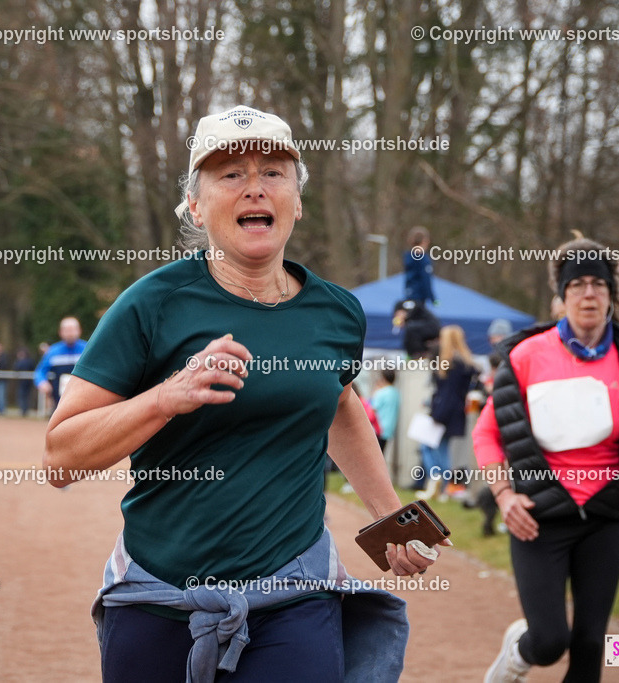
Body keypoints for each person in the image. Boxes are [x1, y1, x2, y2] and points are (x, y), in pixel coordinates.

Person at [44, 105, 444, 683]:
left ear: (297, 201)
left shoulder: (336, 312)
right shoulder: (150, 305)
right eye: (230, 175)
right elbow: (60, 457)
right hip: (160, 594)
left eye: (273, 172)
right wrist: (166, 396)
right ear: (196, 205)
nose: (254, 187)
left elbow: (338, 403)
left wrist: (392, 517)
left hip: (294, 591)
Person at [473, 235, 619, 682]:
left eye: (599, 284)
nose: (589, 294)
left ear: (613, 293)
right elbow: (486, 435)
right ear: (562, 295)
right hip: (539, 516)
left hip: (604, 516)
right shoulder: (525, 355)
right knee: (551, 639)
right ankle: (518, 654)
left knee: (591, 643)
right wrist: (503, 496)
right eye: (578, 285)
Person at [416, 325, 477, 501]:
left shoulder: (450, 365)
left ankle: (439, 482)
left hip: (444, 412)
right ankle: (443, 486)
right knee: (441, 449)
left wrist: (437, 414)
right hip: (456, 413)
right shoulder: (466, 363)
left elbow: (447, 394)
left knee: (431, 447)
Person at [34, 317, 86, 412]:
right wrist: (42, 382)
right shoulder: (53, 352)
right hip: (59, 402)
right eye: (67, 330)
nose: (70, 334)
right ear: (61, 332)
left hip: (83, 399)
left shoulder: (87, 349)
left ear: (79, 331)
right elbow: (40, 371)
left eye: (73, 330)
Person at [403, 226, 437, 307]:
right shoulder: (423, 259)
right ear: (424, 241)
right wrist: (432, 298)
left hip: (409, 295)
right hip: (419, 298)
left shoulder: (408, 257)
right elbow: (425, 279)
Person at [370, 369, 400, 454]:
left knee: (375, 455)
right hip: (389, 428)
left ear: (383, 378)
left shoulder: (381, 392)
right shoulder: (395, 392)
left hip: (378, 428)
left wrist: (375, 391)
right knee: (382, 453)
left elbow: (372, 409)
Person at [13, 347, 36, 417]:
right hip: (21, 382)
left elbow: (33, 368)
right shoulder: (18, 361)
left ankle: (25, 410)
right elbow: (16, 369)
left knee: (26, 396)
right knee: (22, 396)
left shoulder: (29, 361)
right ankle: (23, 410)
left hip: (28, 382)